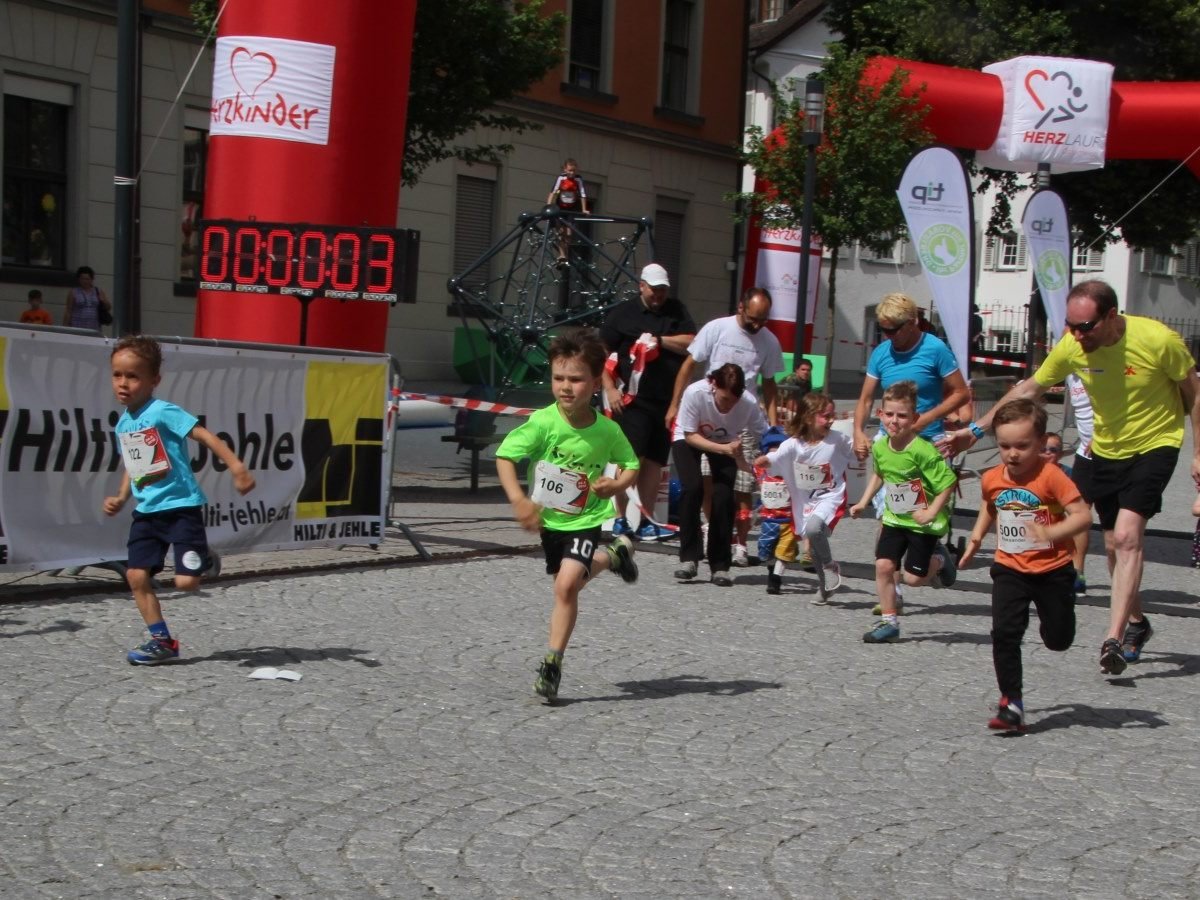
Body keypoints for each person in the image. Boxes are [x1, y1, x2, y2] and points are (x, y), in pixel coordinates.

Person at [946, 280, 1200, 675]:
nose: (1076, 335)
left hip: (1155, 444)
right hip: (1102, 448)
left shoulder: (1157, 340)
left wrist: (1199, 452)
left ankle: (1112, 639)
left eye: (1086, 327)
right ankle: (1137, 623)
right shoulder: (1072, 346)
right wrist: (976, 431)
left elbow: (1193, 391)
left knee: (1129, 536)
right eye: (1071, 326)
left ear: (1111, 316)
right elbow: (1029, 389)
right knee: (1113, 543)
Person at [495, 329, 641, 702]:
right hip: (551, 523)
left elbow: (631, 465)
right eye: (558, 378)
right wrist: (519, 501)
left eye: (575, 379)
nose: (565, 387)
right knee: (569, 583)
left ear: (595, 383)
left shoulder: (607, 430)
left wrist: (616, 485)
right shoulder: (543, 423)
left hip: (586, 519)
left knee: (565, 586)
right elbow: (506, 457)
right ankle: (613, 557)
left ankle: (552, 663)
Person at [103, 335, 256, 665]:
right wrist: (121, 496)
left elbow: (205, 436)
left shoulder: (162, 412)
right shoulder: (124, 424)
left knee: (186, 583)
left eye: (133, 376)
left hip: (180, 507)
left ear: (154, 380)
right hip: (146, 514)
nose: (123, 383)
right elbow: (134, 466)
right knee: (135, 576)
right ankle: (163, 642)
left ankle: (199, 553)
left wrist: (236, 466)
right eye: (117, 375)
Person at [958, 400, 1092, 733]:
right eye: (1004, 446)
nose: (1012, 454)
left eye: (1022, 446)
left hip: (1054, 569)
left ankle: (1059, 620)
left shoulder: (1052, 477)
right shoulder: (992, 478)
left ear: (1040, 441)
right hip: (1010, 566)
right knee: (1004, 633)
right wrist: (975, 539)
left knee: (1058, 639)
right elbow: (991, 505)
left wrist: (1051, 532)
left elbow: (1082, 516)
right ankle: (1011, 703)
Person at [668, 286, 785, 566]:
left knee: (733, 489)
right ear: (741, 308)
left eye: (764, 320)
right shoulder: (717, 328)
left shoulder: (769, 341)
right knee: (697, 487)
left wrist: (772, 428)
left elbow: (769, 385)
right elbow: (688, 366)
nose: (757, 325)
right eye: (753, 318)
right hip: (705, 410)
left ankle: (733, 549)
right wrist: (674, 404)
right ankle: (696, 549)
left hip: (740, 415)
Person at [849, 381, 958, 644]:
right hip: (895, 518)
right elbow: (880, 474)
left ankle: (941, 560)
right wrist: (863, 501)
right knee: (884, 565)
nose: (894, 421)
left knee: (913, 579)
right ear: (880, 414)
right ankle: (889, 622)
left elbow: (948, 482)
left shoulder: (922, 450)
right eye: (890, 414)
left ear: (914, 418)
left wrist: (931, 512)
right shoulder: (880, 446)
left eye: (902, 415)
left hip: (922, 522)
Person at [599, 263, 695, 541]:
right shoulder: (623, 314)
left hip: (666, 401)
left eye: (663, 290)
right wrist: (610, 390)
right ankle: (620, 518)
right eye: (654, 290)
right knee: (630, 460)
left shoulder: (677, 311)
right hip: (632, 400)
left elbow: (691, 342)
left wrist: (660, 341)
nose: (658, 295)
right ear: (642, 285)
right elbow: (600, 355)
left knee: (654, 462)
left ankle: (647, 519)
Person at [671, 363, 767, 586]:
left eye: (733, 402)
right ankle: (689, 558)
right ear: (713, 384)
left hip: (726, 442)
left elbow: (764, 432)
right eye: (724, 400)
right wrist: (725, 450)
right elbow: (690, 436)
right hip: (690, 438)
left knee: (724, 496)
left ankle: (720, 565)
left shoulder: (748, 403)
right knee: (692, 488)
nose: (727, 407)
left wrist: (773, 455)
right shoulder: (695, 393)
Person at [753, 391, 853, 601]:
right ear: (808, 417)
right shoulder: (792, 445)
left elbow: (857, 449)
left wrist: (864, 448)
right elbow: (776, 457)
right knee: (812, 542)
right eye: (825, 416)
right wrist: (766, 461)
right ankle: (825, 585)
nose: (831, 420)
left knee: (815, 529)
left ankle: (829, 567)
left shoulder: (838, 440)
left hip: (830, 497)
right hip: (804, 502)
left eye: (832, 415)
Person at [852, 293, 970, 462]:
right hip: (890, 441)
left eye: (893, 330)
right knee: (886, 489)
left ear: (912, 322)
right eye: (883, 330)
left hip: (928, 441)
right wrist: (857, 431)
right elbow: (865, 399)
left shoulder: (936, 349)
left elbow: (962, 393)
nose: (888, 336)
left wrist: (927, 418)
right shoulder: (881, 352)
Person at [754, 426, 793, 594]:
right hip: (768, 520)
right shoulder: (761, 471)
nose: (775, 454)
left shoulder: (791, 471)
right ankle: (771, 569)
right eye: (771, 450)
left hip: (788, 520)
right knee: (765, 550)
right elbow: (746, 466)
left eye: (779, 450)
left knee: (785, 550)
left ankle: (775, 579)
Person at [546, 158, 590, 265]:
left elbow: (583, 194)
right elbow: (553, 192)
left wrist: (584, 209)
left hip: (572, 208)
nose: (572, 173)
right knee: (561, 232)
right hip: (561, 207)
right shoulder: (561, 178)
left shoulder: (578, 179)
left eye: (574, 171)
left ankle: (566, 253)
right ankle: (562, 255)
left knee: (569, 233)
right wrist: (548, 205)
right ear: (565, 169)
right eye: (570, 170)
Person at [64, 265, 112, 330]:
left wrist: (103, 301)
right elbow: (68, 311)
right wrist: (65, 327)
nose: (85, 281)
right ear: (79, 279)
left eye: (87, 279)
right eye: (82, 279)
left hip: (94, 326)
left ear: (91, 279)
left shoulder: (98, 291)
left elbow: (108, 307)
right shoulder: (73, 292)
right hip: (77, 325)